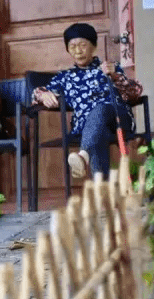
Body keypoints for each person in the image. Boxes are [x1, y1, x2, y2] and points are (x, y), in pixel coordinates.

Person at [31, 22, 142, 181]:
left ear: (94, 46)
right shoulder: (65, 77)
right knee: (98, 134)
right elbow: (36, 93)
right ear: (68, 50)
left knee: (101, 109)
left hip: (118, 119)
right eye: (72, 46)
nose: (78, 51)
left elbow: (135, 93)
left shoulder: (109, 67)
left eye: (83, 45)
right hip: (86, 126)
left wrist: (115, 77)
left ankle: (83, 156)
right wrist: (42, 94)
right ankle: (101, 192)